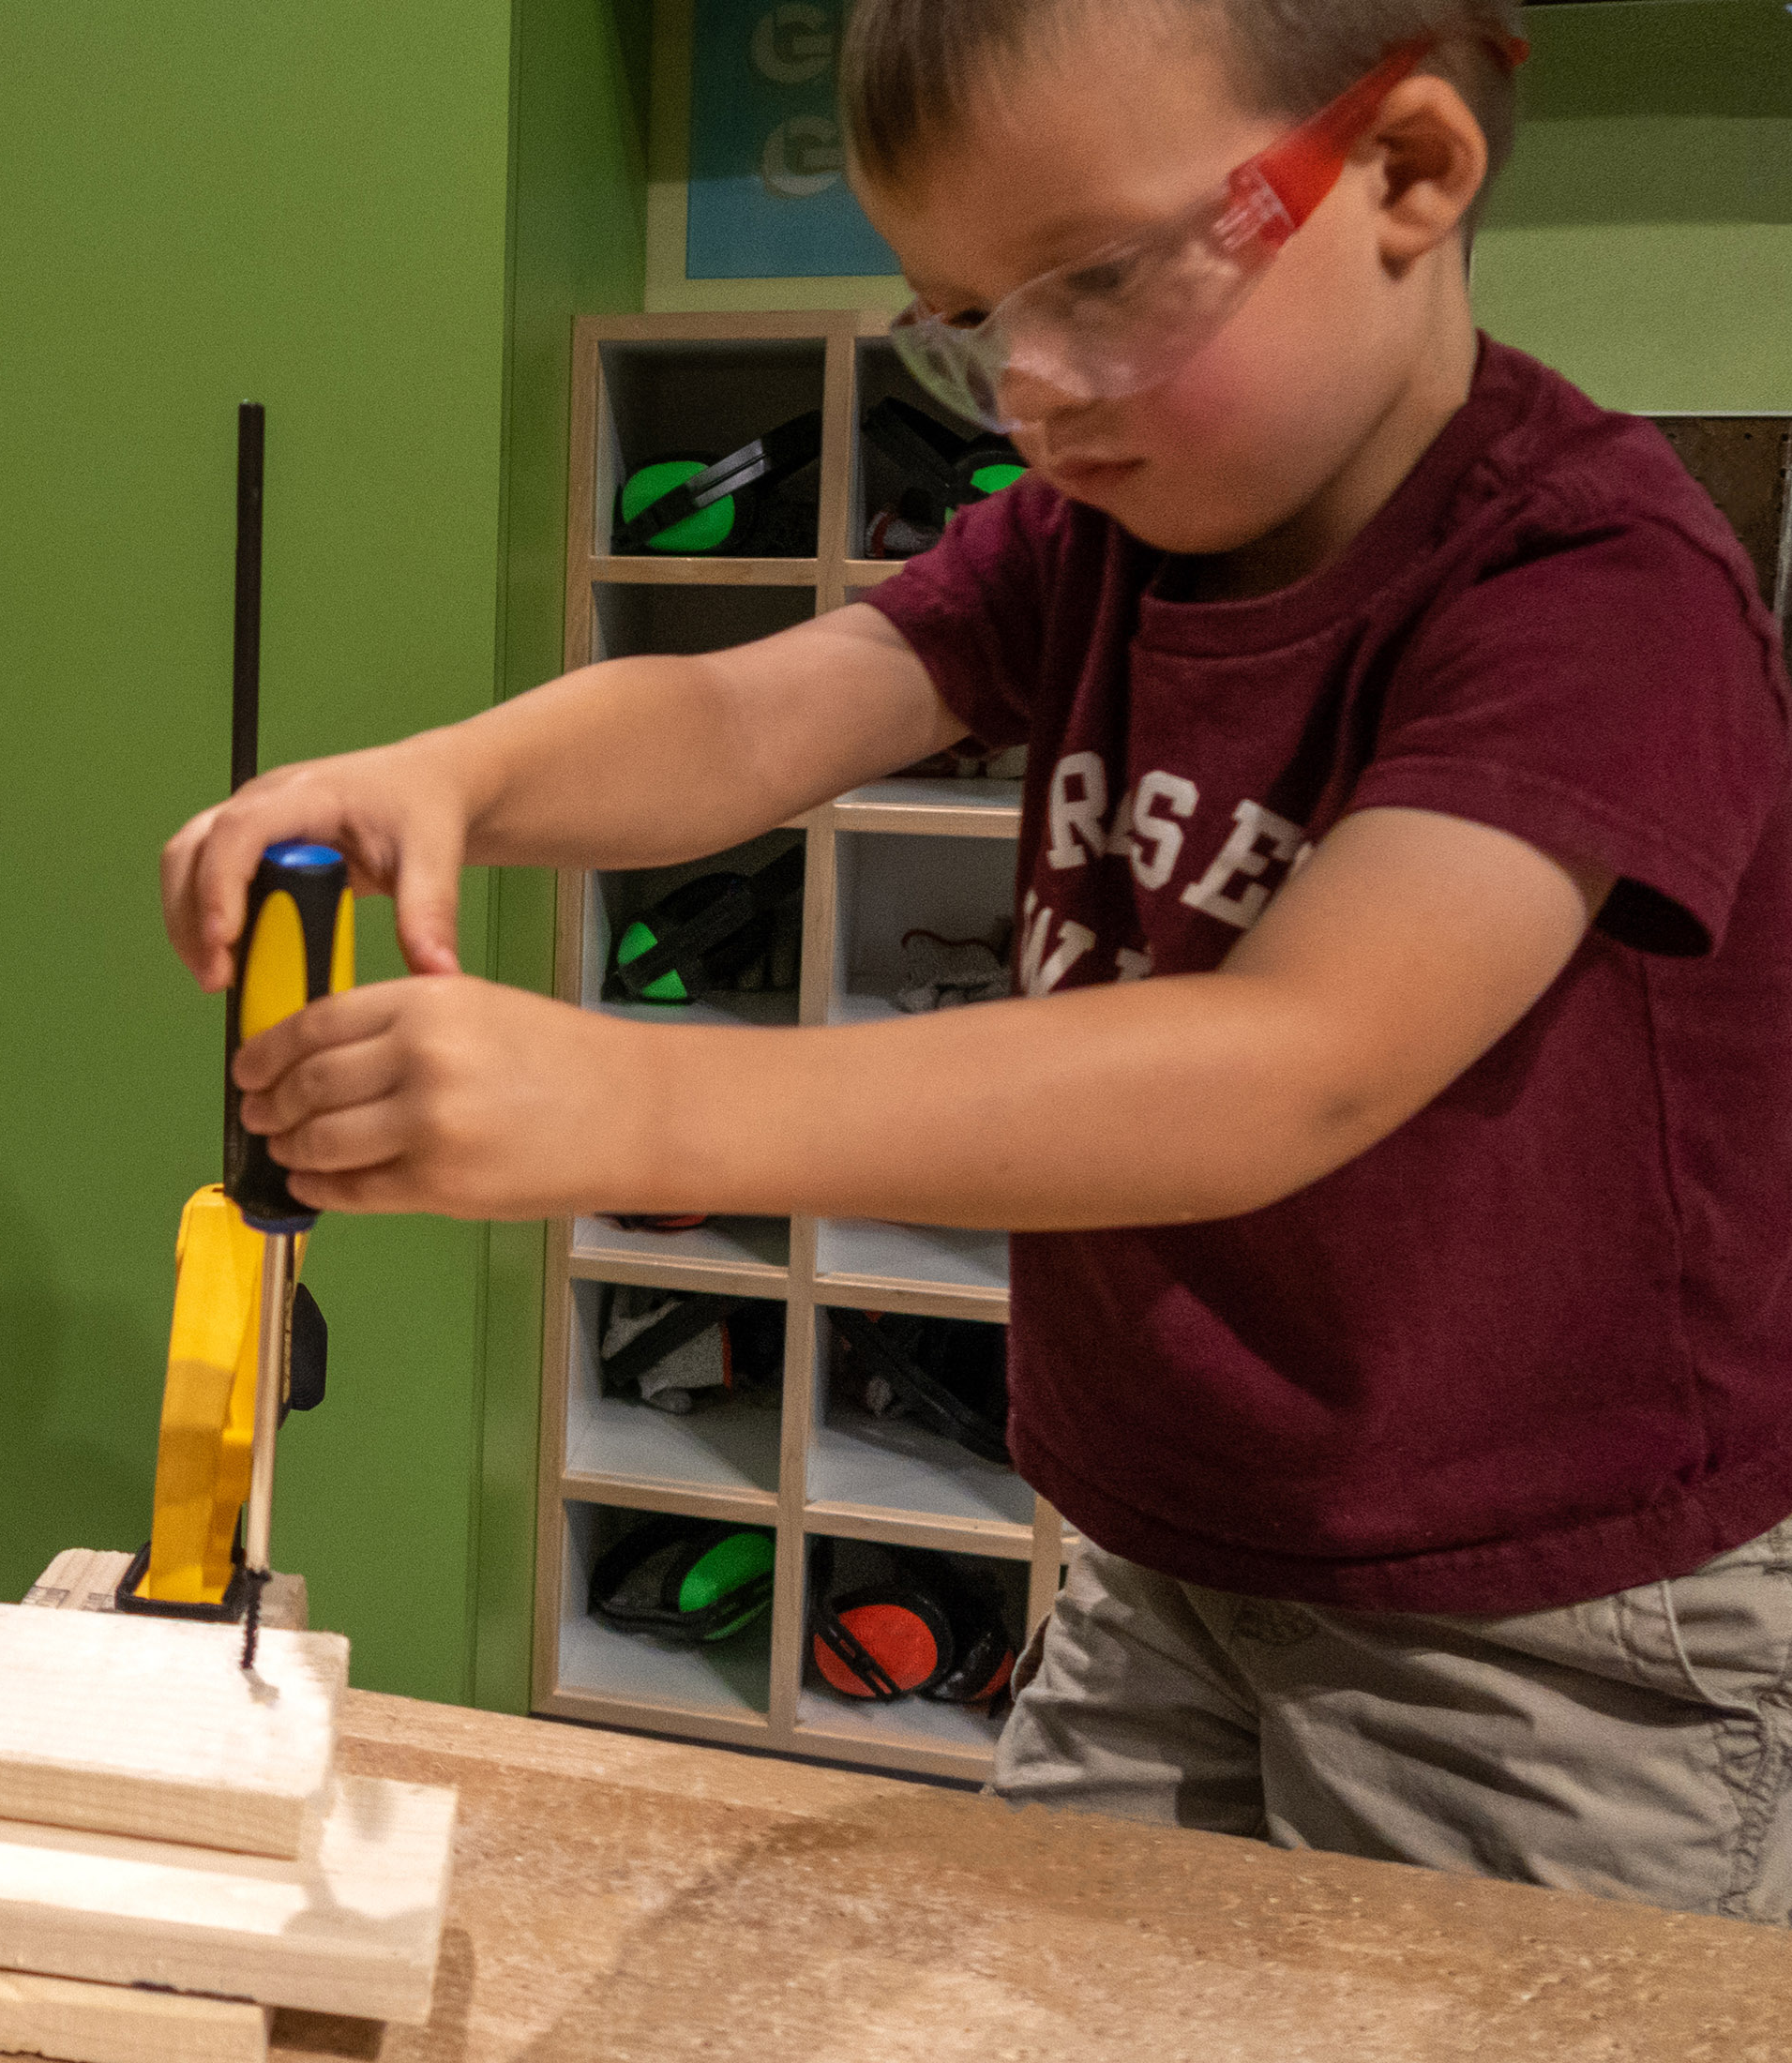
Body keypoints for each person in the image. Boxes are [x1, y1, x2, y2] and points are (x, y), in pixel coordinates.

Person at [163, 0, 1792, 1920]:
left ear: (1410, 170)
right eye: (966, 319)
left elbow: (1297, 1063)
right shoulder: (1100, 537)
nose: (1032, 389)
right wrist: (449, 777)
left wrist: (642, 1098)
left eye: (1097, 282)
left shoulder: (1594, 588)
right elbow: (755, 714)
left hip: (1540, 1628)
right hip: (1164, 1541)